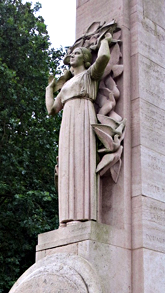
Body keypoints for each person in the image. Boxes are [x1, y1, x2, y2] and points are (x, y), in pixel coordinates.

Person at [46, 34, 112, 226]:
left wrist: (105, 41)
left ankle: (83, 216)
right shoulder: (66, 85)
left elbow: (103, 58)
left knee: (82, 163)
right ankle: (66, 218)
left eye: (76, 54)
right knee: (67, 166)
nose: (72, 56)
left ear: (84, 58)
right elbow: (52, 109)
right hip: (67, 120)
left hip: (83, 115)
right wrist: (49, 89)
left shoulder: (89, 75)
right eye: (71, 54)